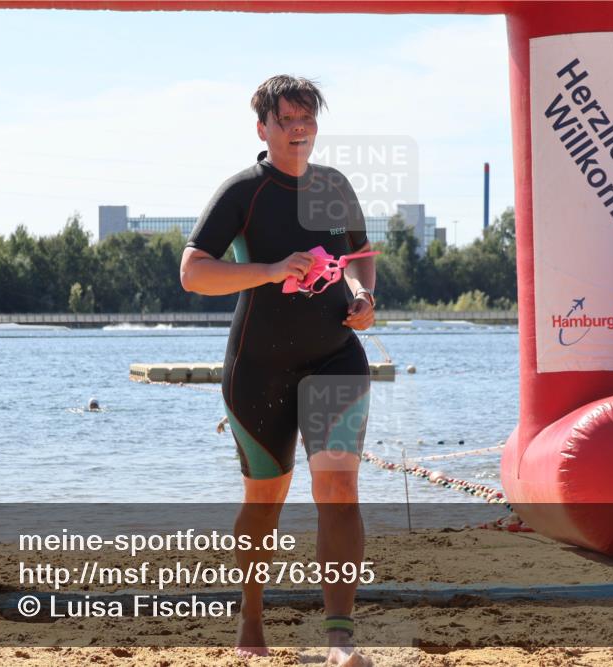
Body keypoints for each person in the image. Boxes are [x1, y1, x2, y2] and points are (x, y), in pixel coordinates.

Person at [180, 75, 376, 667]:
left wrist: (364, 297)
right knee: (265, 499)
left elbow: (361, 257)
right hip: (258, 367)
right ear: (262, 126)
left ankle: (340, 636)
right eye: (287, 119)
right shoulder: (244, 192)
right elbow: (194, 272)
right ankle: (252, 617)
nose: (299, 129)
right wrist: (268, 270)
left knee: (338, 489)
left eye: (307, 118)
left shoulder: (335, 187)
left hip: (335, 356)